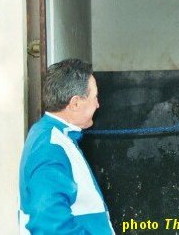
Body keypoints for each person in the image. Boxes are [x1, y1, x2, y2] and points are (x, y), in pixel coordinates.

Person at [19, 58, 114, 234]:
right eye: (94, 97)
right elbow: (48, 224)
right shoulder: (51, 146)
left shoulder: (50, 134)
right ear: (75, 103)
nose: (98, 104)